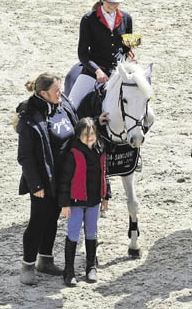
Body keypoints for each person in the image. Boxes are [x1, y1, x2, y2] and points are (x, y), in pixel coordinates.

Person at [15, 73, 78, 285]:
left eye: (60, 89)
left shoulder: (63, 103)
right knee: (38, 221)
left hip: (62, 178)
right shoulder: (29, 115)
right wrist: (36, 184)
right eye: (56, 91)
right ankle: (28, 265)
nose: (61, 94)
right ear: (43, 93)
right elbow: (25, 156)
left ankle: (46, 260)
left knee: (53, 218)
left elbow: (76, 127)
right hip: (43, 179)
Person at [68, 0, 133, 109]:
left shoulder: (127, 18)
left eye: (116, 2)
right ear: (101, 0)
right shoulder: (88, 19)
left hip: (118, 70)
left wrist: (130, 53)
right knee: (72, 105)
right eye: (110, 2)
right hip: (94, 70)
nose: (114, 5)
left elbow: (126, 48)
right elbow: (83, 53)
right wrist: (97, 71)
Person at [58, 118, 108, 286]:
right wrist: (64, 204)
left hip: (93, 202)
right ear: (78, 135)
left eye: (92, 134)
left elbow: (104, 175)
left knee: (92, 233)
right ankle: (69, 270)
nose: (89, 137)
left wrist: (105, 196)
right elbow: (64, 181)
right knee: (73, 234)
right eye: (86, 135)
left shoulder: (101, 150)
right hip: (76, 202)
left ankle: (91, 266)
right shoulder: (73, 153)